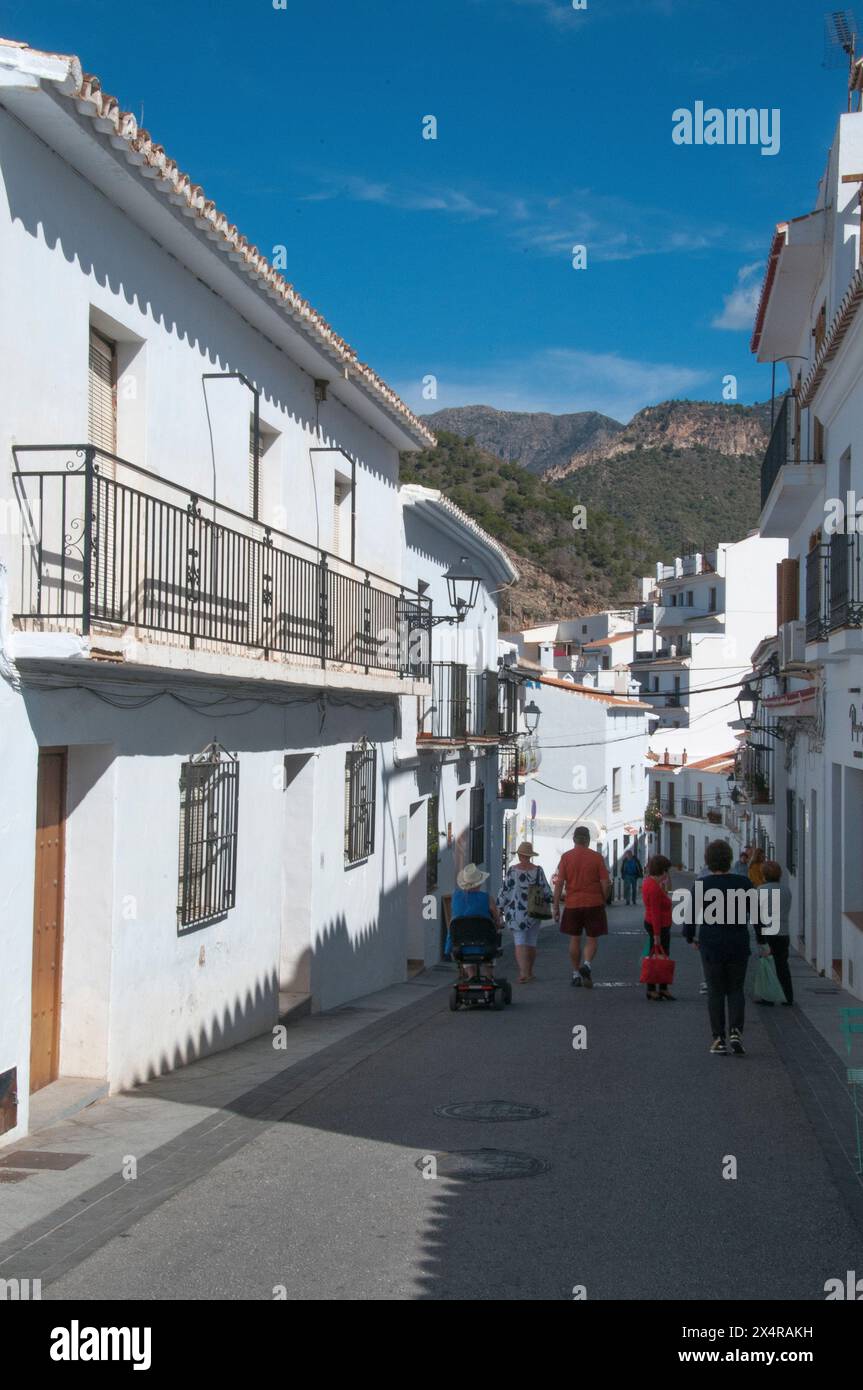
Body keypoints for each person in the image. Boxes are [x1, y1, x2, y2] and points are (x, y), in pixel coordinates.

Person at [682, 839, 754, 1054]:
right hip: (738, 943)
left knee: (715, 991)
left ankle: (718, 1039)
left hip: (711, 944)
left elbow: (690, 917)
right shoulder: (744, 883)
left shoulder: (702, 885)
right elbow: (758, 916)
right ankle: (736, 1031)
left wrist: (690, 938)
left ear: (708, 861)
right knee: (735, 989)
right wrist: (762, 941)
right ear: (729, 859)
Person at [553, 825, 611, 987]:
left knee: (574, 939)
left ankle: (575, 973)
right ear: (587, 840)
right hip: (594, 903)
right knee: (592, 938)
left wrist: (556, 906)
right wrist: (603, 899)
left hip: (572, 904)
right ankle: (587, 964)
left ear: (574, 839)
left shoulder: (566, 857)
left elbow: (559, 884)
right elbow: (605, 883)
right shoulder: (596, 858)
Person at [498, 842, 552, 983]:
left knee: (519, 941)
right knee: (531, 942)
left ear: (520, 855)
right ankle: (529, 971)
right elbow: (546, 891)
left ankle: (523, 973)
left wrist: (499, 907)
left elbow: (504, 891)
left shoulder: (512, 871)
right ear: (530, 856)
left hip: (516, 912)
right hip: (534, 911)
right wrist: (554, 902)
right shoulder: (538, 871)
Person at [450, 863, 502, 981]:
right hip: (485, 946)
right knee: (492, 938)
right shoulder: (487, 898)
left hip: (461, 947)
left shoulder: (456, 897)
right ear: (479, 882)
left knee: (465, 939)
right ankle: (489, 975)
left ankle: (471, 975)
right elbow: (496, 917)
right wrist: (498, 924)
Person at [755, 860, 793, 1005]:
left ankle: (768, 996)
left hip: (768, 931)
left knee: (767, 965)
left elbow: (757, 916)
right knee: (783, 965)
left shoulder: (760, 890)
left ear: (764, 875)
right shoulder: (786, 890)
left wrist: (760, 938)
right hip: (783, 932)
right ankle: (788, 995)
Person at [641, 854, 675, 1001]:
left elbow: (666, 893)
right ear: (662, 870)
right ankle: (653, 988)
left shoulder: (651, 883)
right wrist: (657, 936)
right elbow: (655, 912)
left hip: (659, 924)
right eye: (666, 870)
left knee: (661, 957)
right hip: (658, 926)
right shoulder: (653, 888)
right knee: (657, 957)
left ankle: (662, 987)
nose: (667, 873)